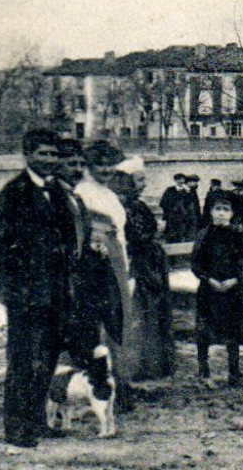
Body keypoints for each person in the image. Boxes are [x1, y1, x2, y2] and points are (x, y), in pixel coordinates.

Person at [0, 129, 81, 448]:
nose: (49, 160)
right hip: (26, 295)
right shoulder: (15, 193)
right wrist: (9, 288)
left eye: (53, 154)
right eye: (43, 153)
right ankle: (16, 428)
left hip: (56, 293)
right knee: (24, 359)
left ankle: (37, 420)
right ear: (27, 155)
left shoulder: (58, 192)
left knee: (48, 358)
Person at [76, 141, 135, 405]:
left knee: (118, 320)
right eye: (100, 164)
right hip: (97, 264)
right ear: (89, 165)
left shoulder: (108, 194)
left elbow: (120, 232)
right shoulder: (83, 193)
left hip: (116, 259)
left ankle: (120, 381)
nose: (106, 169)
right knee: (98, 323)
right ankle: (99, 385)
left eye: (110, 164)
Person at [111, 158, 174, 381]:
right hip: (138, 267)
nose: (144, 184)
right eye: (139, 180)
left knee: (152, 313)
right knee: (140, 313)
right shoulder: (120, 207)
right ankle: (138, 366)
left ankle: (152, 364)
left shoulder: (138, 205)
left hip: (150, 265)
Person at [190, 192, 243, 386]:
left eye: (225, 210)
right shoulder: (204, 235)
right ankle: (203, 371)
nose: (221, 213)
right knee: (204, 330)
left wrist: (235, 279)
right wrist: (207, 279)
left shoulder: (238, 235)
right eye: (217, 209)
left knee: (232, 331)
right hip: (208, 291)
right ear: (210, 212)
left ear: (232, 213)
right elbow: (195, 262)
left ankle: (234, 372)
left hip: (232, 291)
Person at [160, 173, 199, 244]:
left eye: (182, 179)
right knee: (173, 238)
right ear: (175, 180)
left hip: (185, 220)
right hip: (172, 219)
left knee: (186, 238)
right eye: (178, 179)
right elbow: (163, 203)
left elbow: (194, 206)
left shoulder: (189, 191)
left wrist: (188, 193)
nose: (181, 181)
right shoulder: (170, 190)